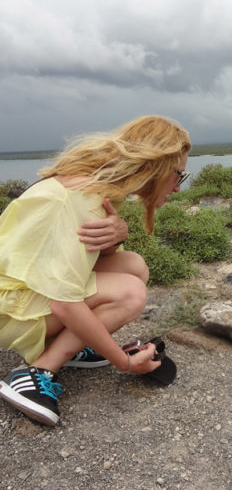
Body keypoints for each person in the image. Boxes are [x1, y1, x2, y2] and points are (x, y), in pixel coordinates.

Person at [0, 115, 191, 426]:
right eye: (178, 176)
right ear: (154, 165)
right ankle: (35, 373)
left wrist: (116, 237)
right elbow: (65, 302)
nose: (178, 189)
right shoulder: (78, 199)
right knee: (131, 294)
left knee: (134, 266)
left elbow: (74, 264)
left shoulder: (91, 187)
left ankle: (69, 348)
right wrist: (123, 360)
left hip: (24, 290)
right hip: (9, 308)